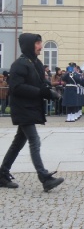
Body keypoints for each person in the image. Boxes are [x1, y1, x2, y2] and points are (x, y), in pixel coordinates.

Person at [0, 33, 64, 190]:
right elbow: (17, 87)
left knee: (18, 142)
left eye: (40, 43)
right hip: (22, 109)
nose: (40, 46)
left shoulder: (36, 63)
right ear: (29, 45)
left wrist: (51, 92)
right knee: (34, 140)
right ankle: (44, 177)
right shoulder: (19, 65)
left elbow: (42, 84)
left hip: (30, 108)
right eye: (37, 43)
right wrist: (42, 92)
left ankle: (2, 174)